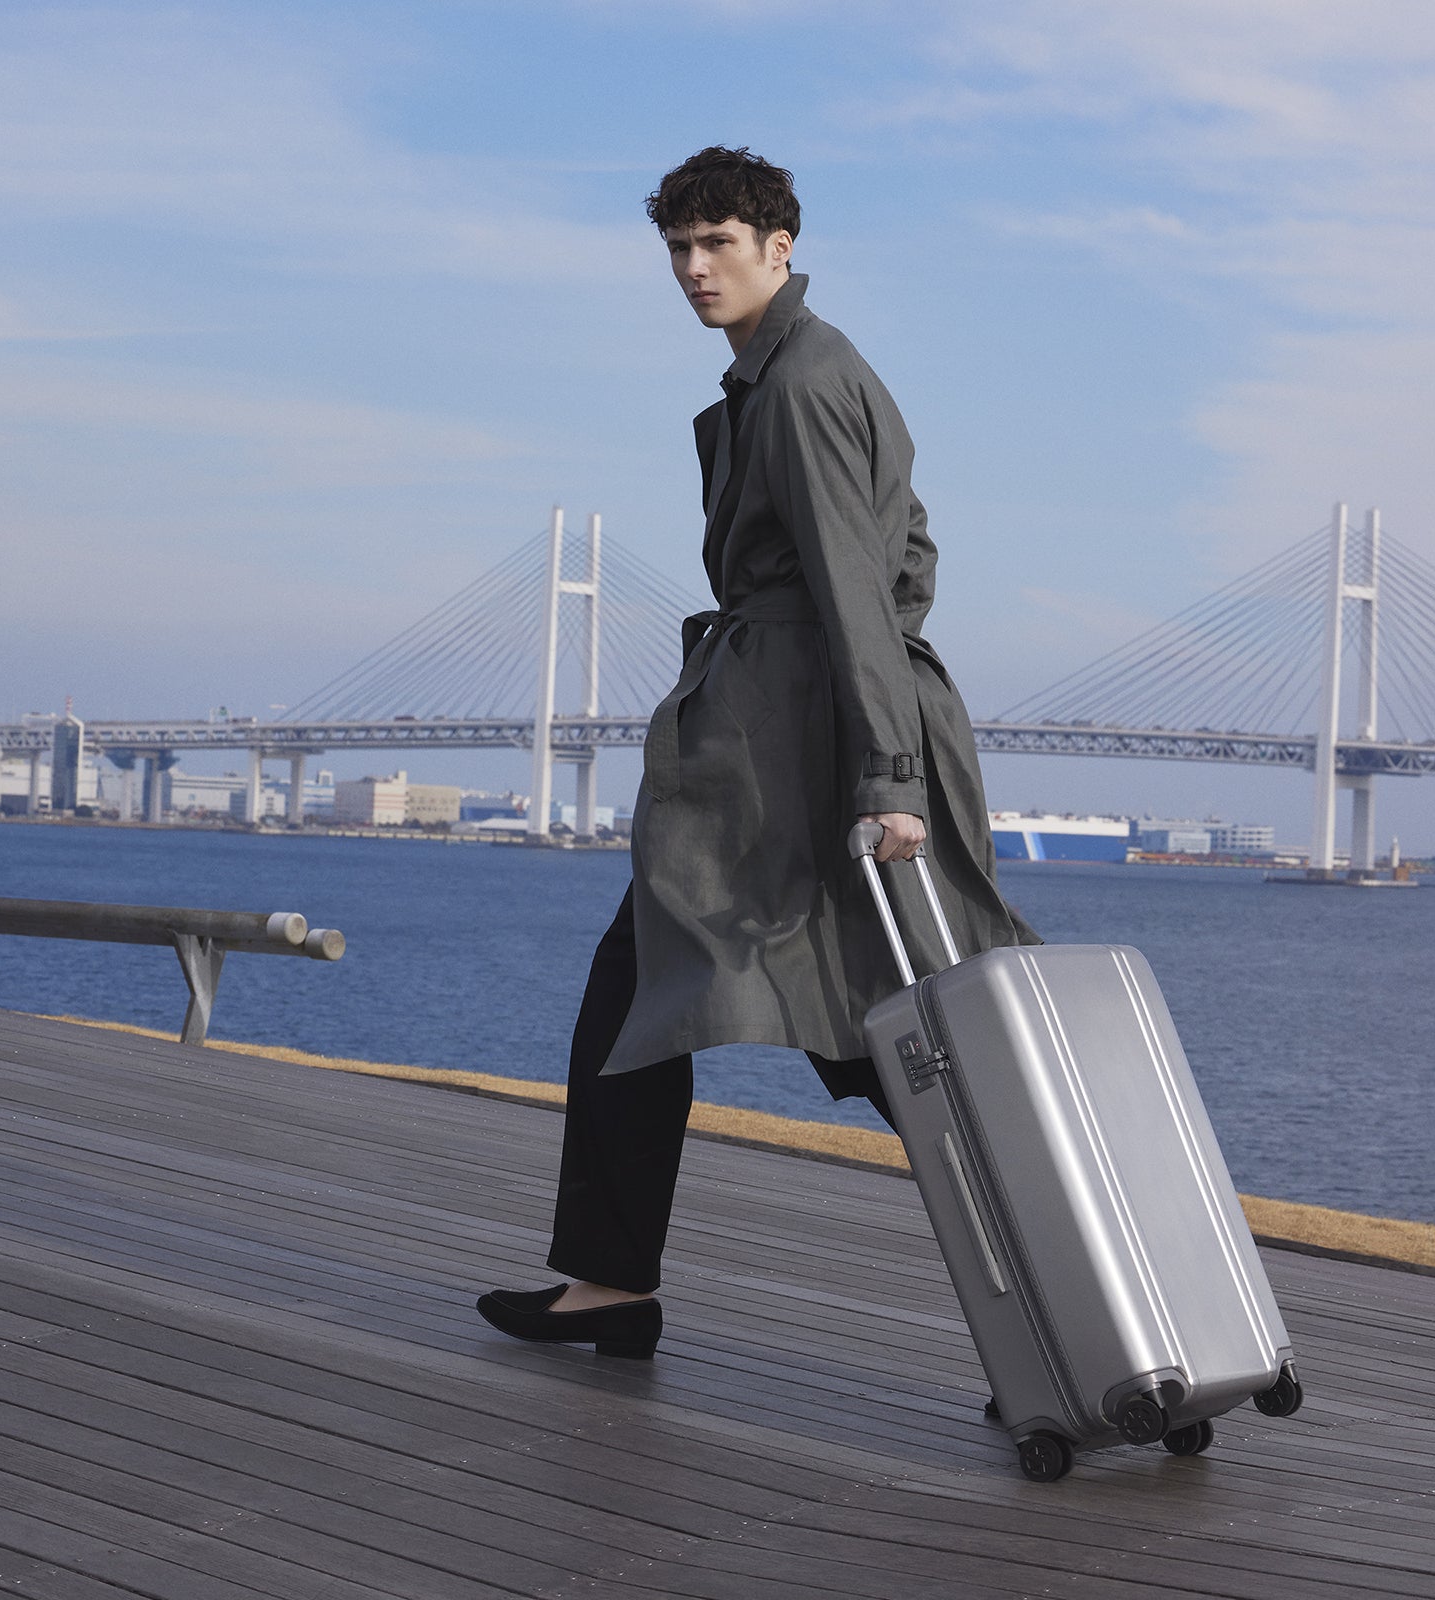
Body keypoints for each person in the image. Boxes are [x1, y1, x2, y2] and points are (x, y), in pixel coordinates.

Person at [477, 146, 1035, 1359]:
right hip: (782, 737)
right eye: (676, 248)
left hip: (797, 754)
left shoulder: (797, 386)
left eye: (716, 243)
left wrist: (887, 779)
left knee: (866, 1034)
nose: (692, 268)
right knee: (682, 994)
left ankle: (1064, 1304)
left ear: (777, 247)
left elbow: (852, 585)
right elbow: (911, 557)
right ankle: (612, 1284)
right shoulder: (793, 374)